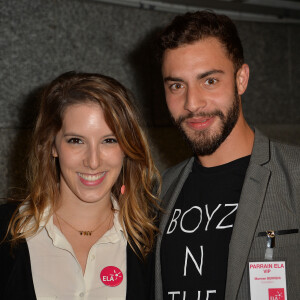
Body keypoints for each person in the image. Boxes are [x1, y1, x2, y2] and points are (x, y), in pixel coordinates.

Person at [154, 10, 300, 300]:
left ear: (241, 79)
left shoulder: (295, 176)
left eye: (209, 81)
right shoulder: (160, 191)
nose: (192, 104)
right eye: (176, 85)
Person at [0, 71, 160, 300]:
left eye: (109, 140)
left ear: (126, 147)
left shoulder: (152, 241)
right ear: (52, 146)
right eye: (76, 141)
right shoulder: (5, 232)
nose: (93, 161)